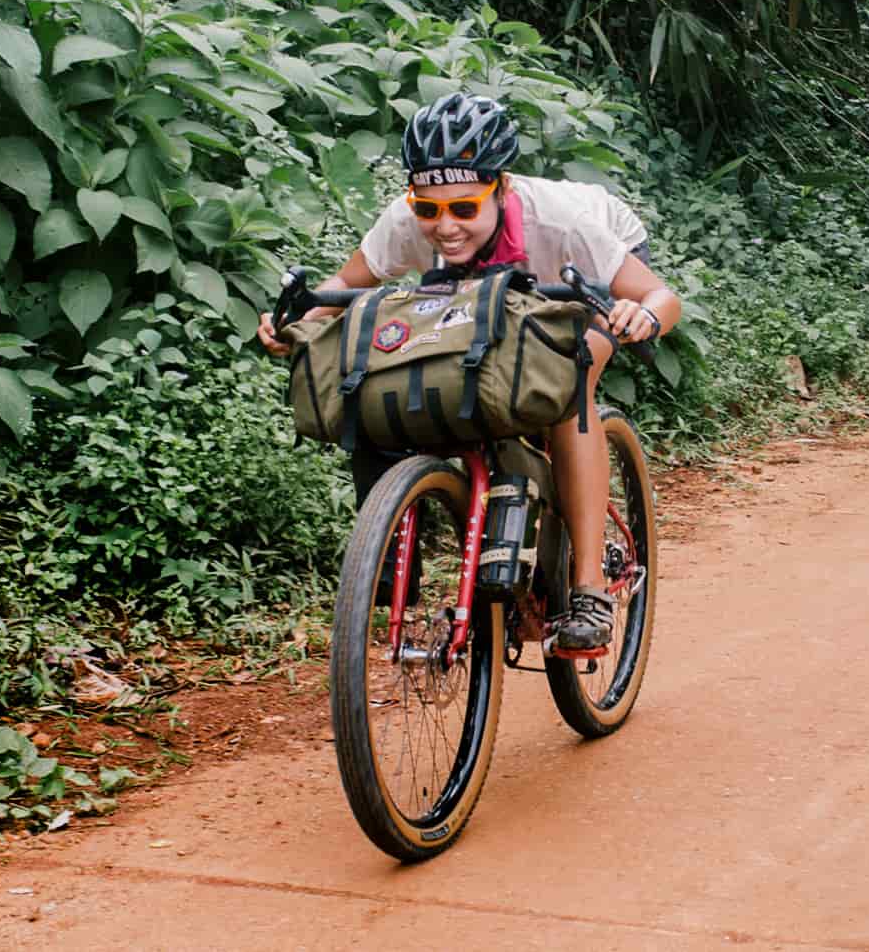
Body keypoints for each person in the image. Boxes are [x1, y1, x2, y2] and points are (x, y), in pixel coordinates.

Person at [258, 92, 681, 649]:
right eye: (428, 208)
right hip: (476, 293)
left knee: (568, 381)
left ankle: (589, 590)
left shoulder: (560, 222)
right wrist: (293, 321)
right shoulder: (409, 221)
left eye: (464, 208)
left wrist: (641, 314)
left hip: (576, 279)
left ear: (500, 189)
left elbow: (660, 295)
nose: (445, 225)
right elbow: (343, 289)